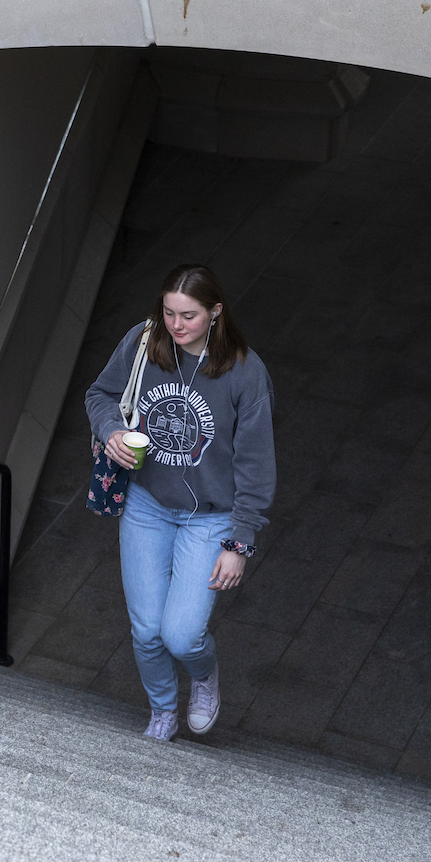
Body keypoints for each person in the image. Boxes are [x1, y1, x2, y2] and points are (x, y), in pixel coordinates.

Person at [86, 263, 277, 742]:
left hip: (211, 520)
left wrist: (241, 541)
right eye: (168, 312)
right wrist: (110, 431)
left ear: (215, 313)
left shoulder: (244, 372)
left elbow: (256, 464)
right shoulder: (144, 341)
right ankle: (163, 712)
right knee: (146, 629)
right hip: (148, 504)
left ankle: (204, 674)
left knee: (182, 634)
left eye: (188, 315)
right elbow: (102, 393)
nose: (175, 325)